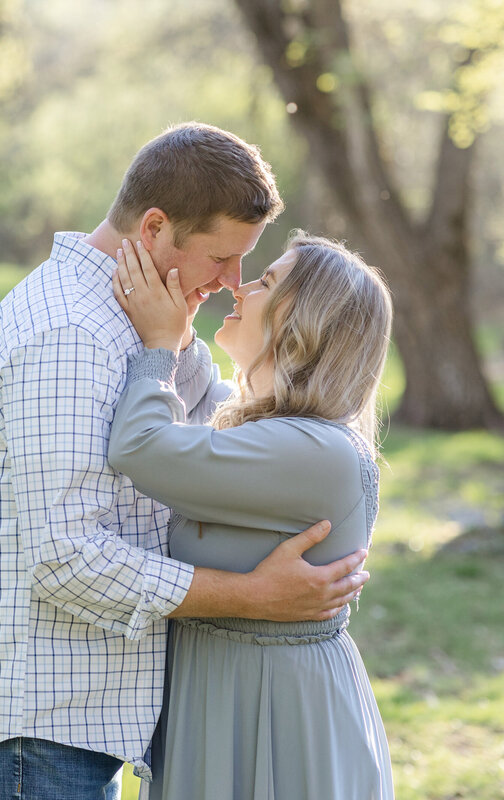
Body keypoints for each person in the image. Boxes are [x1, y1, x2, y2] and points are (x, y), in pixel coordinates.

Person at [0, 122, 370, 800]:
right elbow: (66, 556)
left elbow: (200, 432)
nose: (232, 283)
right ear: (156, 228)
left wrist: (172, 342)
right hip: (39, 726)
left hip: (76, 716)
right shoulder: (71, 333)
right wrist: (252, 598)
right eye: (223, 259)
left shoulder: (124, 320)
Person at [108, 232, 394, 798]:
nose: (239, 286)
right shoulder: (278, 433)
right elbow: (199, 407)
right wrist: (183, 323)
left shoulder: (315, 451)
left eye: (266, 281)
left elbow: (140, 447)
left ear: (304, 320)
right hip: (230, 696)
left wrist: (159, 346)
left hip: (276, 715)